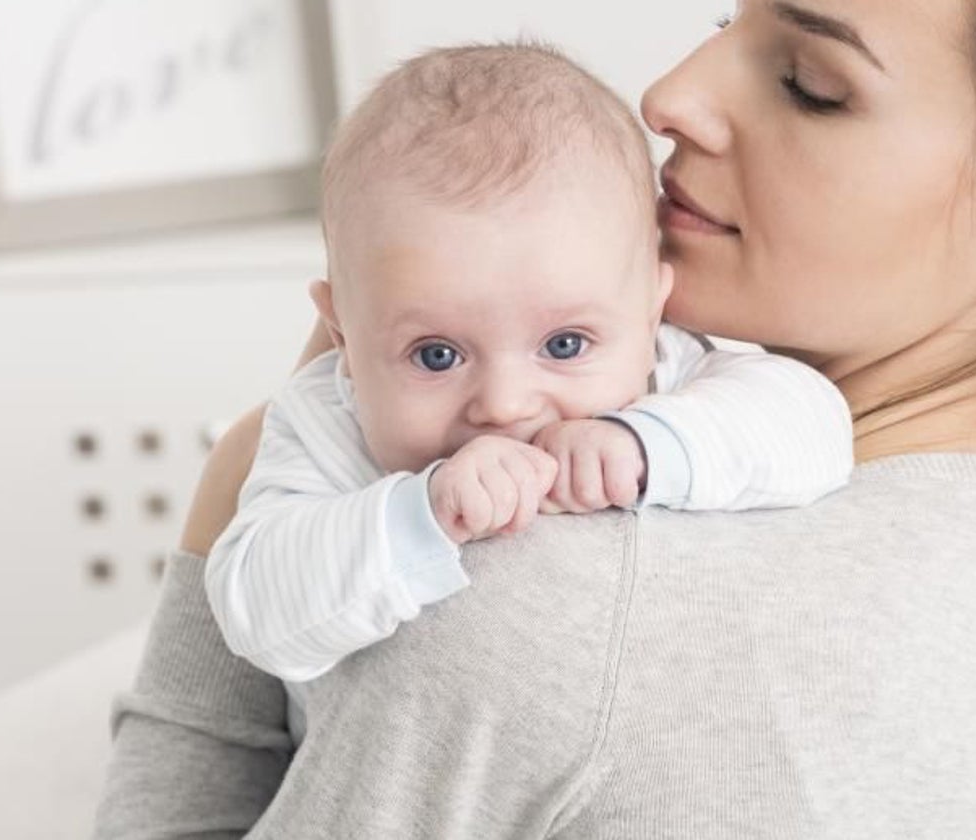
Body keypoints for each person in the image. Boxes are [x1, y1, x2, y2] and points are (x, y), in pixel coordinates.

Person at [95, 1, 976, 837]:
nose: (669, 97)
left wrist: (236, 493)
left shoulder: (540, 590)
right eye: (720, 26)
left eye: (809, 84)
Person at [204, 45, 852, 715]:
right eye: (435, 356)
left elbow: (815, 425)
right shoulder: (325, 422)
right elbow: (252, 609)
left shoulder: (665, 370)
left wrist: (643, 445)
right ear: (342, 336)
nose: (505, 405)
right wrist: (422, 513)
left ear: (651, 308)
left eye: (565, 345)